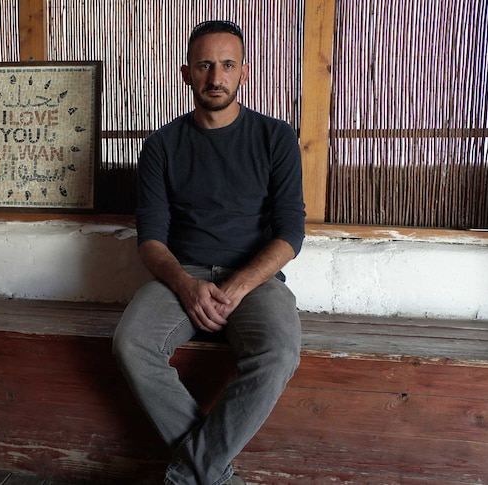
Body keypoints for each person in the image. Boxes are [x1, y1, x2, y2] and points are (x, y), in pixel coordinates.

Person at [112, 20, 306, 485]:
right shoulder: (161, 146)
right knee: (130, 344)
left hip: (254, 279)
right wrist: (186, 284)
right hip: (184, 274)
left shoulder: (276, 138)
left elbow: (290, 234)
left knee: (279, 352)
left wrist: (238, 286)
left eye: (226, 65)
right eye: (204, 65)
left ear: (244, 72)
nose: (215, 77)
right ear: (186, 74)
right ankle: (212, 474)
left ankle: (189, 474)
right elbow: (151, 240)